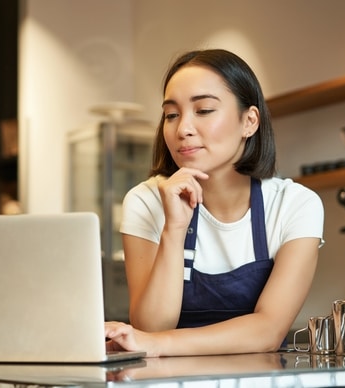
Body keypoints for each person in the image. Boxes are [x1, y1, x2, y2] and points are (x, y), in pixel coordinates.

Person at [104, 49, 324, 357]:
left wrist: (158, 343)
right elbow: (152, 326)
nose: (183, 129)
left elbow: (268, 331)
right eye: (171, 114)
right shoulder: (145, 201)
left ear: (249, 121)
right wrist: (174, 228)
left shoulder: (295, 205)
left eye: (204, 110)